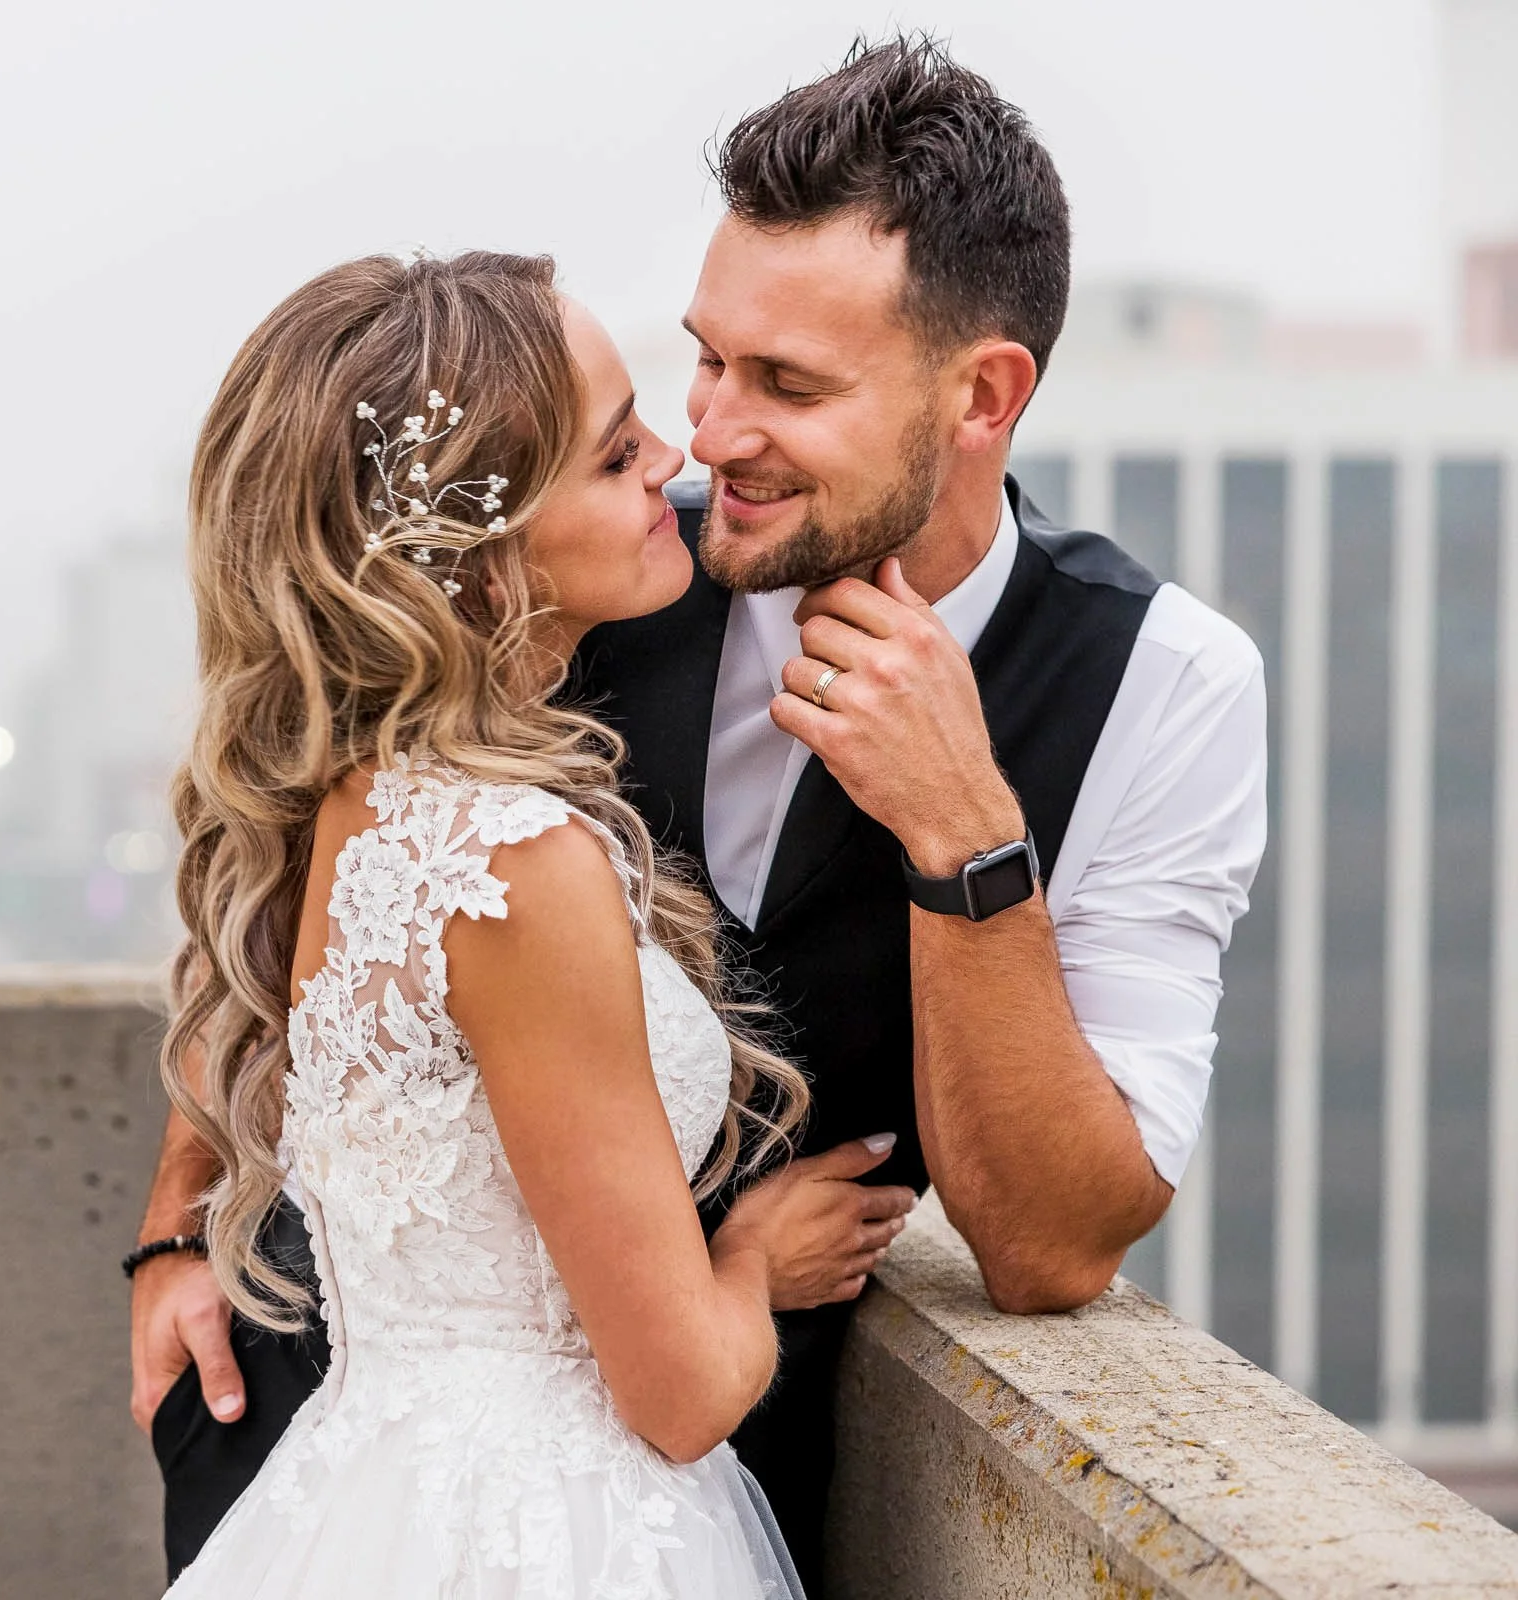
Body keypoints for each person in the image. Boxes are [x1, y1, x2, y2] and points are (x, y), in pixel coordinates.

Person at [136, 36, 1268, 1591]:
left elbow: (1057, 1246)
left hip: (668, 1496)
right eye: (708, 358)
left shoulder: (1166, 686)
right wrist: (174, 1224)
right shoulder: (577, 557)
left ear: (983, 395)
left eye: (786, 384)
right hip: (305, 1428)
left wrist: (965, 840)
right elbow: (293, 840)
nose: (710, 434)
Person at [146, 247, 897, 1596]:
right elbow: (680, 1394)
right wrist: (750, 1261)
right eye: (615, 457)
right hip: (551, 1528)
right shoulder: (512, 866)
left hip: (371, 1489)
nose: (673, 457)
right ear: (480, 561)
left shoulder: (353, 800)